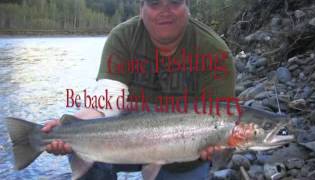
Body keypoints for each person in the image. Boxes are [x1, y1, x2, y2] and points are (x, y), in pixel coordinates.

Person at [42, 0, 236, 179]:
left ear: (188, 6)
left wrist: (216, 148)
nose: (165, 10)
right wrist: (69, 125)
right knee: (83, 149)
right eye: (154, 3)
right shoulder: (123, 37)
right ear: (141, 8)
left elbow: (222, 120)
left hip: (182, 157)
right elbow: (107, 99)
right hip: (122, 143)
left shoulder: (215, 52)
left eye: (175, 2)